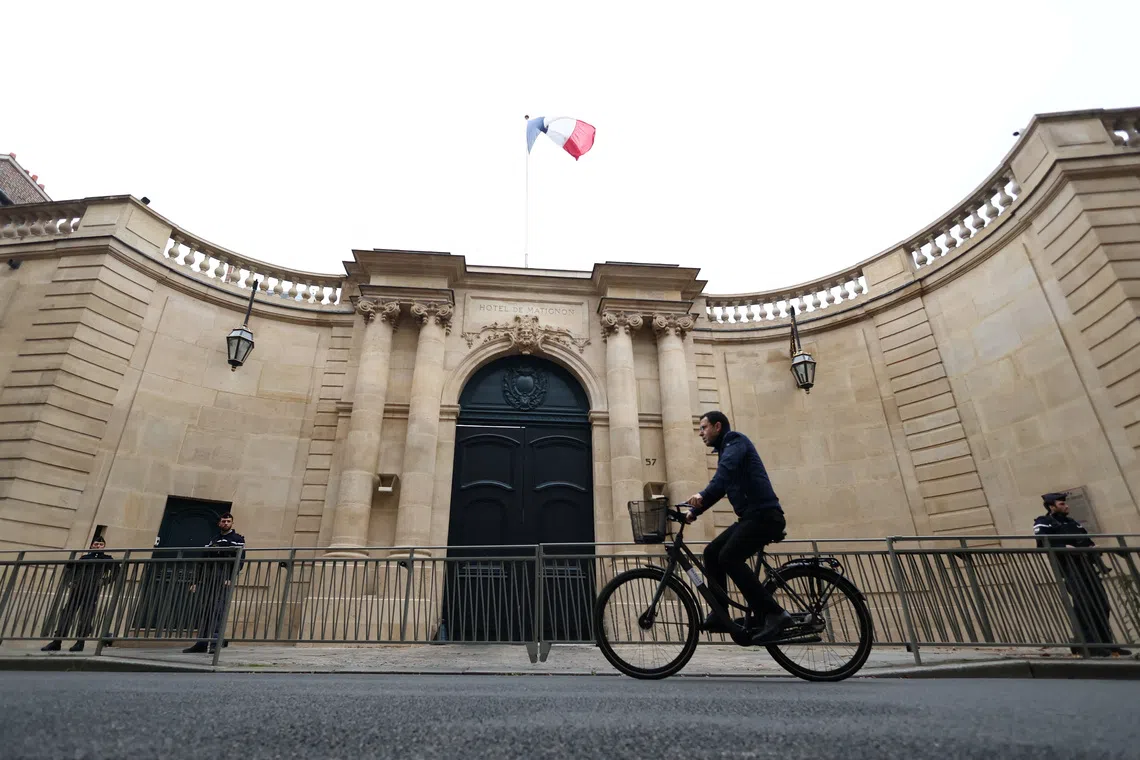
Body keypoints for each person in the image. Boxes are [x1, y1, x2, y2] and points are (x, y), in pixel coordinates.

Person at [683, 411, 792, 643]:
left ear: (718, 426)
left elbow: (723, 475)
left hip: (764, 516)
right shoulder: (726, 451)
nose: (700, 433)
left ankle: (774, 613)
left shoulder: (735, 442)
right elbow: (722, 487)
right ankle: (721, 612)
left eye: (703, 428)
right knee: (711, 553)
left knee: (729, 557)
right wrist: (694, 511)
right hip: (751, 517)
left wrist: (702, 494)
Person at [1034, 493, 1130, 657]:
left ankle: (1107, 644)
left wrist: (1095, 548)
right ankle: (1089, 645)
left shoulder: (1073, 523)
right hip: (1070, 568)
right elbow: (1042, 542)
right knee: (1085, 605)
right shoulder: (1044, 522)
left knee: (1101, 604)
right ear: (1051, 506)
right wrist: (1064, 546)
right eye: (1061, 503)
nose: (1066, 506)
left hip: (1088, 567)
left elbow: (1087, 542)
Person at [41, 536, 118, 652]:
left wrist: (104, 581)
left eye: (101, 545)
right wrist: (72, 582)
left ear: (104, 546)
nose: (98, 546)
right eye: (96, 544)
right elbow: (71, 569)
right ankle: (57, 641)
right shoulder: (84, 558)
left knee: (85, 616)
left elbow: (117, 571)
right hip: (78, 589)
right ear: (92, 546)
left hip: (92, 590)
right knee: (67, 614)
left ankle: (80, 642)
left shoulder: (107, 558)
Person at [182, 513, 246, 654]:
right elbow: (203, 561)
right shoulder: (213, 540)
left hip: (223, 578)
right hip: (208, 578)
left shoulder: (237, 539)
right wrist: (196, 581)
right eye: (223, 521)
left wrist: (230, 577)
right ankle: (202, 643)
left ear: (232, 523)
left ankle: (215, 643)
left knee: (218, 610)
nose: (226, 523)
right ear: (219, 523)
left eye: (229, 521)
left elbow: (239, 560)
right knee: (205, 610)